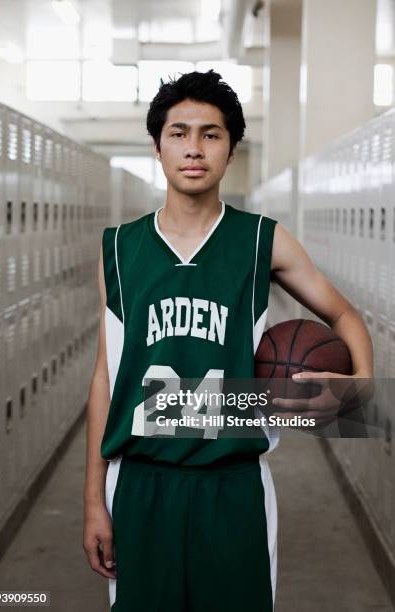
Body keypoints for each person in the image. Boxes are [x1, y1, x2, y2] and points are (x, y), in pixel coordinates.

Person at [83, 70, 374, 612]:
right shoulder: (119, 249)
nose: (194, 148)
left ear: (231, 150)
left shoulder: (261, 238)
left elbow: (344, 313)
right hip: (141, 482)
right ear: (158, 145)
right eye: (179, 132)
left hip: (235, 482)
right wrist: (93, 503)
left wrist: (357, 387)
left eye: (211, 134)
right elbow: (106, 376)